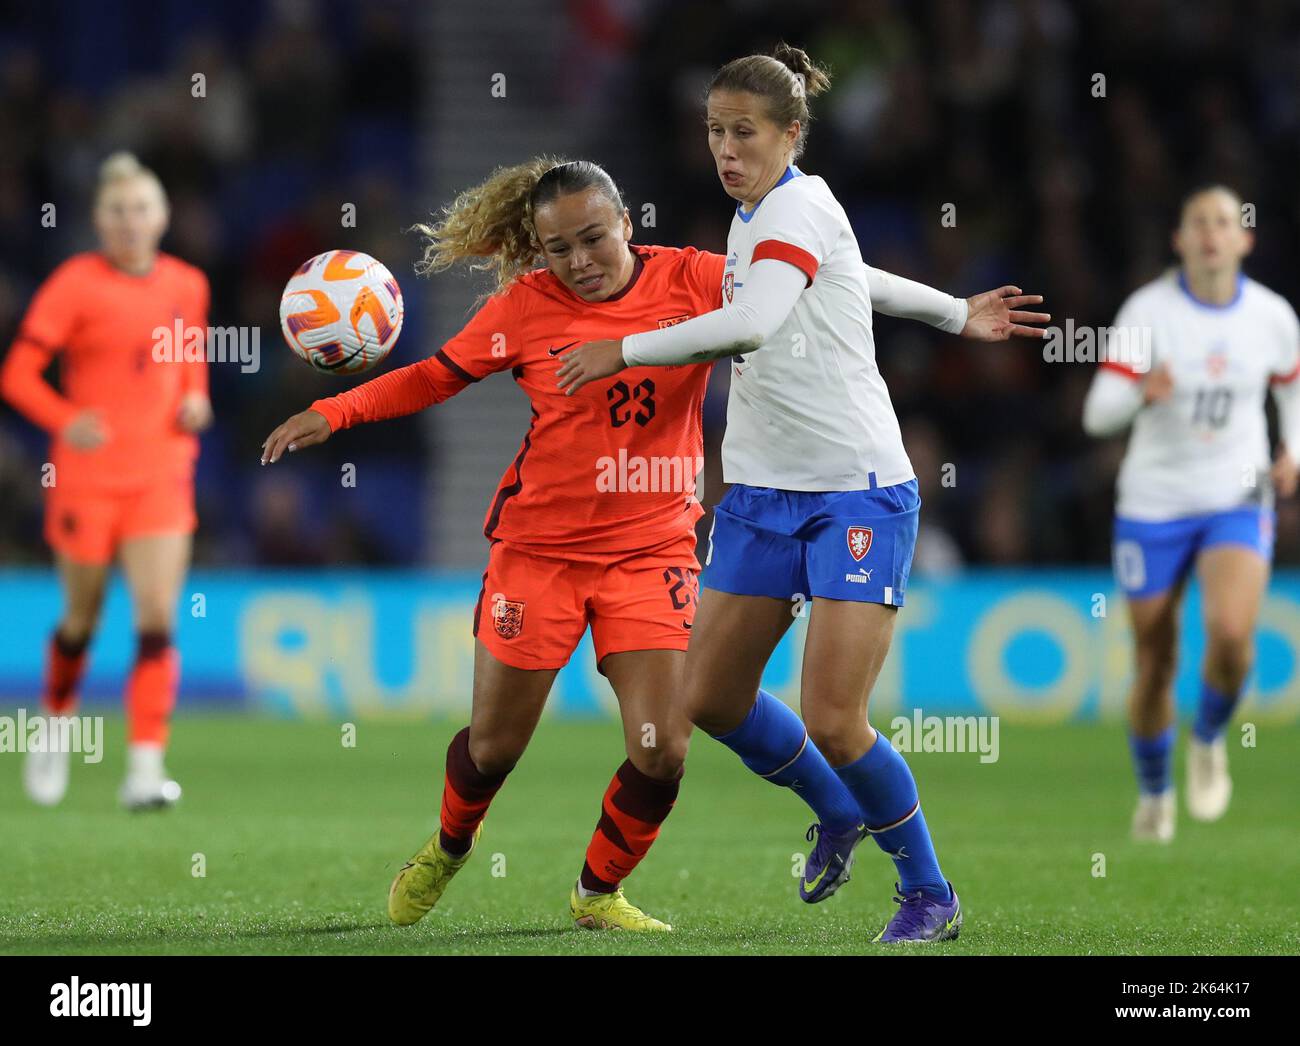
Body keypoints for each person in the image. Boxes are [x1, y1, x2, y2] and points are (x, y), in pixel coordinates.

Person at [262, 155, 1032, 931]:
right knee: (493, 748)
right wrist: (337, 413)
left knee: (663, 747)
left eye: (593, 239)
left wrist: (954, 312)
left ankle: (597, 894)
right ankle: (450, 846)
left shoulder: (698, 278)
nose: (579, 262)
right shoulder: (526, 307)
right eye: (558, 249)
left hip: (652, 549)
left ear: (628, 223)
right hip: (541, 550)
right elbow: (434, 377)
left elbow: (832, 275)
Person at [557, 45, 1048, 942]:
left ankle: (928, 889)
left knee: (834, 715)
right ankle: (840, 810)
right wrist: (953, 310)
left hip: (853, 492)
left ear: (792, 134)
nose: (725, 149)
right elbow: (857, 278)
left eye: (744, 132)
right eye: (714, 131)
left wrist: (619, 350)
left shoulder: (799, 204)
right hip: (760, 493)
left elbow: (751, 320)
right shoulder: (759, 220)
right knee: (707, 698)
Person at [1082, 184, 1300, 842]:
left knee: (1232, 634)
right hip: (1154, 501)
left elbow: (1292, 388)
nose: (1210, 233)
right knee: (1156, 660)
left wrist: (1293, 448)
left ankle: (1206, 739)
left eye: (1223, 222)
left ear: (1244, 239)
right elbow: (1097, 415)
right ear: (1179, 240)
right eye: (1197, 222)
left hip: (1237, 493)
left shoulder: (1272, 316)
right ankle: (1155, 791)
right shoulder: (1147, 311)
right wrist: (1141, 394)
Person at [1, 151, 212, 810]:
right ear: (99, 218)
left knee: (156, 619)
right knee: (82, 620)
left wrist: (197, 402)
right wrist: (66, 420)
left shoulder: (187, 283)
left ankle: (145, 770)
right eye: (117, 211)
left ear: (163, 215)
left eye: (141, 209)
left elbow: (191, 363)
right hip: (88, 479)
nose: (130, 222)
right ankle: (56, 722)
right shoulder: (74, 284)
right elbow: (16, 376)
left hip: (161, 473)